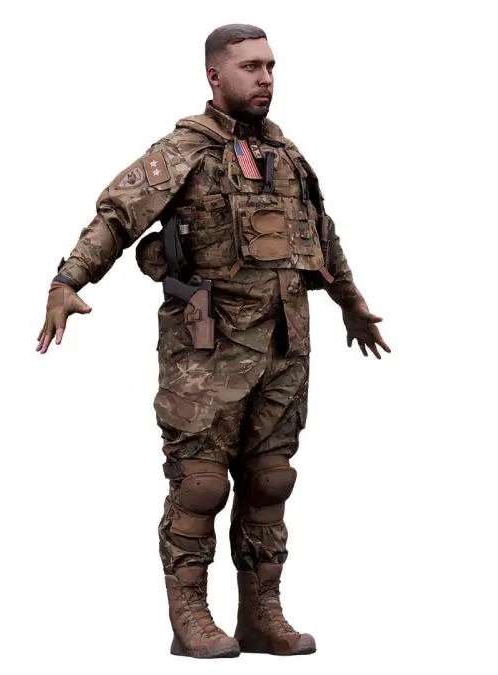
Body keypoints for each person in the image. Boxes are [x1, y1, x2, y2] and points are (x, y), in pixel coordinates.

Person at [35, 23, 390, 658]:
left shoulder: (288, 156)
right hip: (207, 353)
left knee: (270, 482)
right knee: (200, 485)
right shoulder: (185, 151)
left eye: (271, 66)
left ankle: (261, 614)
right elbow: (117, 216)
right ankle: (190, 618)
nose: (265, 78)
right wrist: (68, 281)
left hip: (283, 350)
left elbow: (322, 238)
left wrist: (353, 306)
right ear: (214, 75)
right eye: (251, 67)